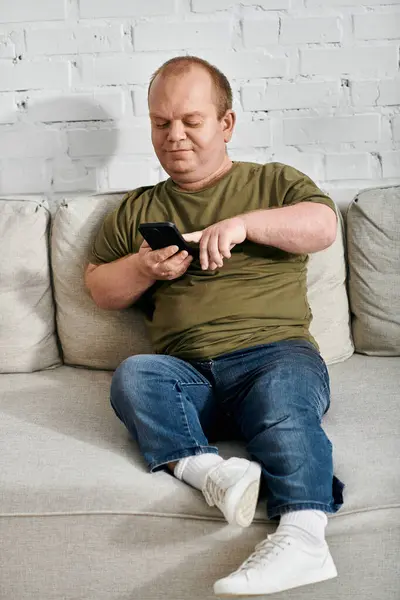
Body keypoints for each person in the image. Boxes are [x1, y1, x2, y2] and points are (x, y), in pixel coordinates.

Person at [84, 55, 345, 597]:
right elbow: (100, 290)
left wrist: (245, 225)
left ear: (226, 124)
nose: (174, 136)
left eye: (190, 121)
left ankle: (303, 537)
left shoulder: (274, 182)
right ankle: (217, 475)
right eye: (161, 124)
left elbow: (322, 225)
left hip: (275, 354)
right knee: (136, 374)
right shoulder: (136, 210)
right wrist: (142, 268)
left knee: (282, 399)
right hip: (188, 374)